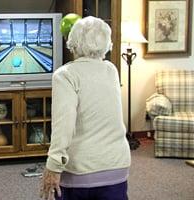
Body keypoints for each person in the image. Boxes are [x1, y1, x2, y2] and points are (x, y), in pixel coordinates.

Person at [40, 16, 131, 200]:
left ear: (72, 44)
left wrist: (54, 166)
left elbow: (63, 124)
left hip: (81, 172)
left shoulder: (65, 75)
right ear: (106, 43)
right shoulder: (111, 70)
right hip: (117, 168)